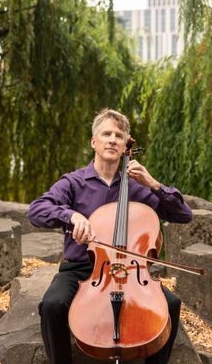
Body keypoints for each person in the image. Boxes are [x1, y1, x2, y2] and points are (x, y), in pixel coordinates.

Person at [28, 108, 192, 364]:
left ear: (126, 145)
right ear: (94, 141)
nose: (113, 140)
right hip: (80, 270)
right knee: (52, 305)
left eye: (119, 135)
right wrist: (71, 215)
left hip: (130, 271)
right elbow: (37, 210)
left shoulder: (136, 188)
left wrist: (154, 185)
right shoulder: (73, 182)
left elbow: (183, 214)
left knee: (170, 304)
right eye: (106, 134)